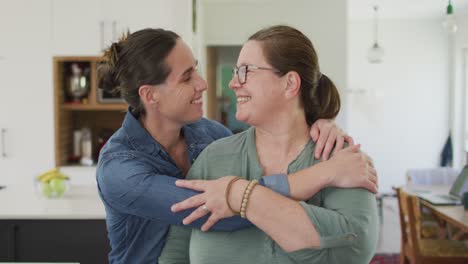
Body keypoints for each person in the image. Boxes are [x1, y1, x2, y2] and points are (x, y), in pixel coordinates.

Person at [96, 28, 377, 263]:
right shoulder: (119, 169)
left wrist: (321, 120)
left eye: (246, 71)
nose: (205, 84)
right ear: (151, 95)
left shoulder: (209, 137)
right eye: (186, 77)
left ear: (290, 83)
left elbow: (355, 242)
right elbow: (217, 213)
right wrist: (323, 175)